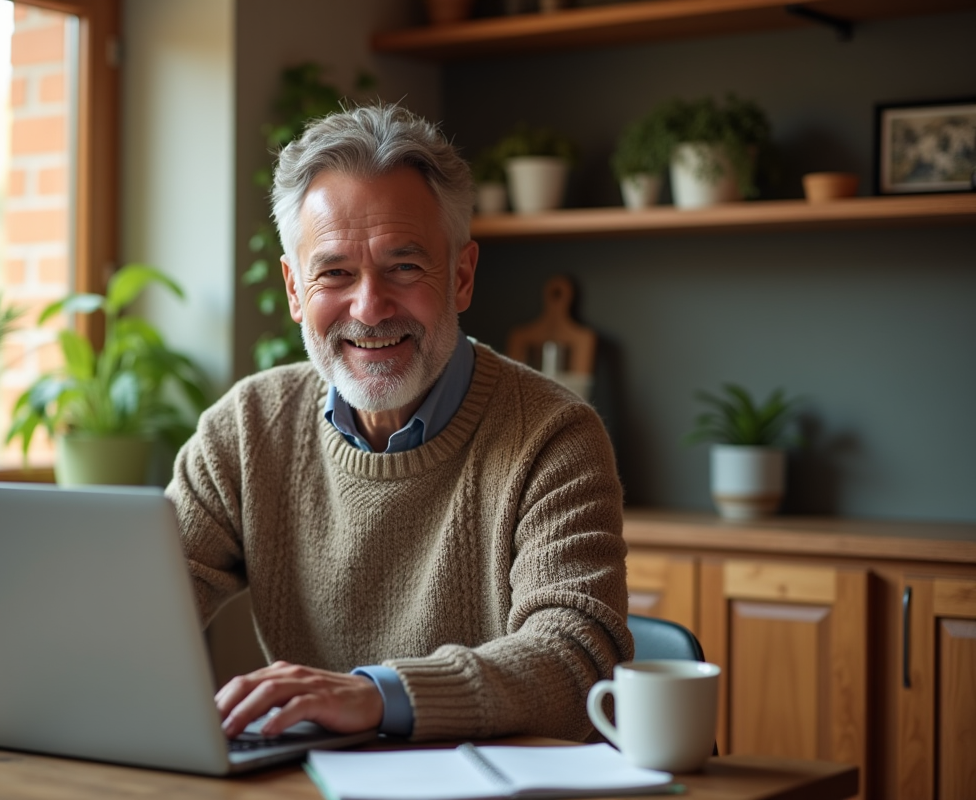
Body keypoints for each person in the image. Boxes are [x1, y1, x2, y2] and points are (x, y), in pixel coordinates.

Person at [165, 103, 631, 744]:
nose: (369, 306)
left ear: (461, 276)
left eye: (404, 267)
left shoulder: (553, 436)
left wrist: (377, 697)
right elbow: (142, 615)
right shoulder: (244, 430)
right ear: (296, 290)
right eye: (334, 272)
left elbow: (579, 659)